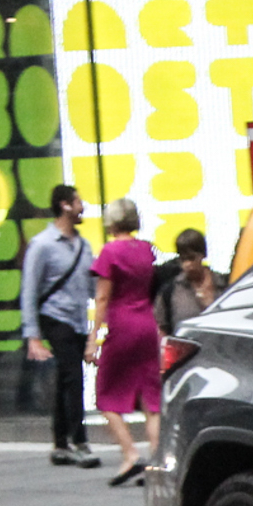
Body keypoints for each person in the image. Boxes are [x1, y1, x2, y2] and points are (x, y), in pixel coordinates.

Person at [20, 183, 101, 468]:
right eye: (79, 202)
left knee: (66, 380)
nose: (83, 207)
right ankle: (80, 441)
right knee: (73, 377)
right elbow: (29, 289)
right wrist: (33, 334)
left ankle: (60, 443)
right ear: (65, 205)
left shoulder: (84, 245)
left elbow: (92, 286)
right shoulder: (42, 245)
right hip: (55, 318)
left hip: (77, 319)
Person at [87, 198, 164, 486]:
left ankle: (130, 454)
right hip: (148, 324)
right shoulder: (145, 249)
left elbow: (103, 296)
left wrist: (93, 338)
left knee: (105, 393)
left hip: (122, 325)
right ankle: (156, 460)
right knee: (151, 397)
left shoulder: (110, 252)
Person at [154, 228, 220, 333]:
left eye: (192, 258)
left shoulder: (222, 284)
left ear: (203, 255)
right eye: (183, 259)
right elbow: (161, 326)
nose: (187, 264)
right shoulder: (171, 291)